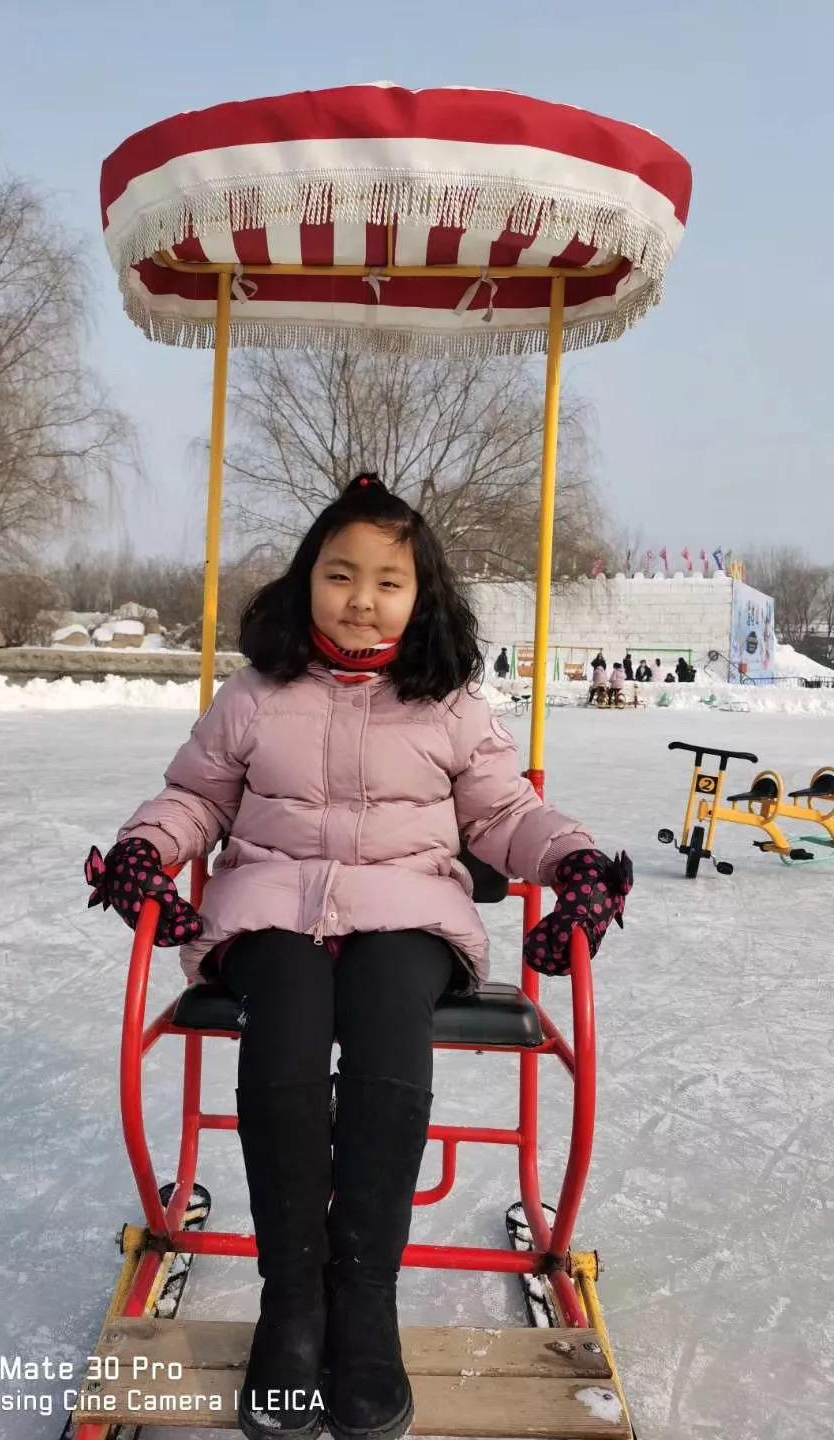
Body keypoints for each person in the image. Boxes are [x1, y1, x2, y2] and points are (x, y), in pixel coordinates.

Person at [84, 474, 633, 1440]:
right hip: (270, 911)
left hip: (409, 916)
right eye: (340, 575)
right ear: (308, 581)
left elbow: (505, 815)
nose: (362, 599)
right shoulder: (256, 694)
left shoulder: (450, 704)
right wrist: (146, 848)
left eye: (388, 581)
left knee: (386, 1023)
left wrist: (574, 862)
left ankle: (365, 1300)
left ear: (421, 596)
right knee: (288, 1021)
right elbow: (198, 797)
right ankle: (294, 1301)